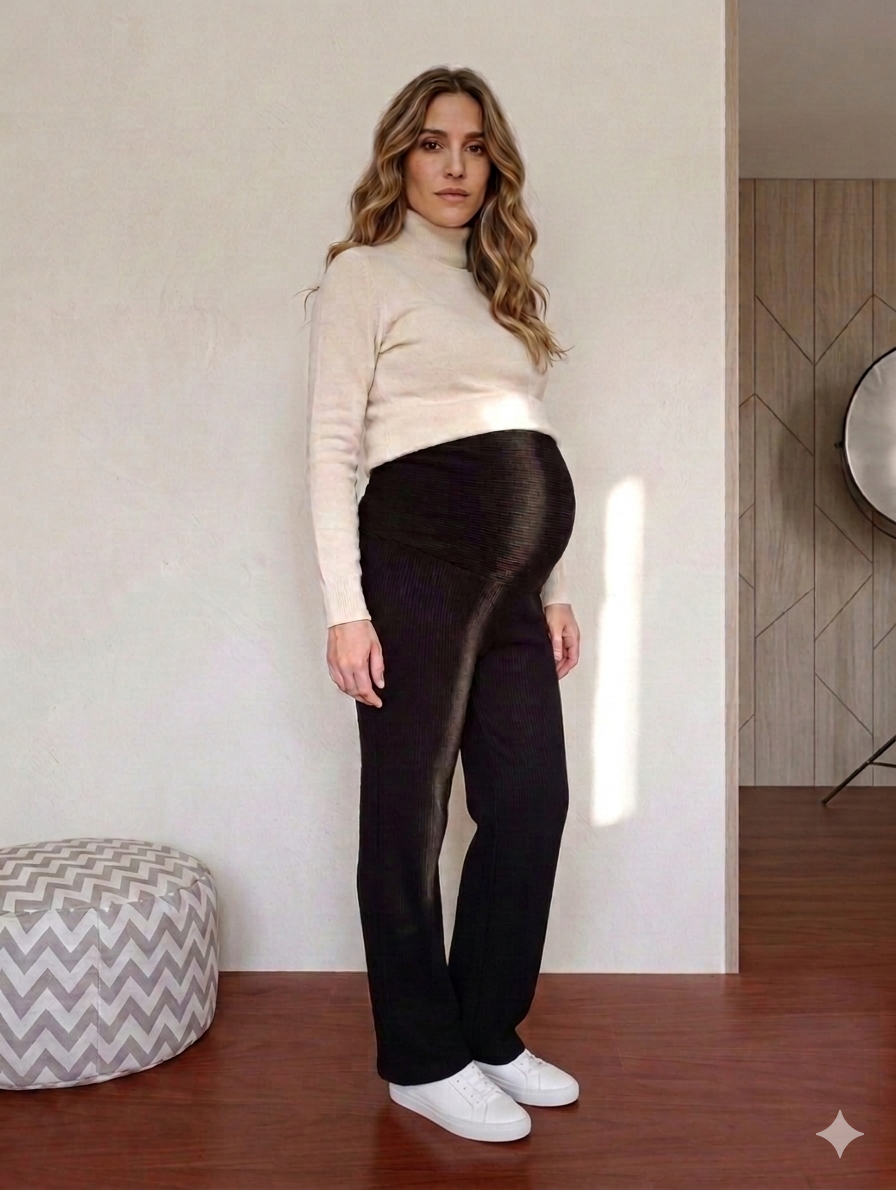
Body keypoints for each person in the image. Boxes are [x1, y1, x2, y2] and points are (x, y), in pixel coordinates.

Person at [304, 65, 580, 1144]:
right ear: (400, 159)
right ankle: (420, 1059)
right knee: (409, 811)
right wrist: (346, 608)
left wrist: (551, 586)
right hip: (414, 560)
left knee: (529, 801)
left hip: (514, 588)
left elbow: (522, 432)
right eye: (431, 143)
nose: (454, 165)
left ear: (493, 165)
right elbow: (332, 446)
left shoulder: (500, 290)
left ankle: (484, 1030)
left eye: (472, 146)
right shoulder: (364, 274)